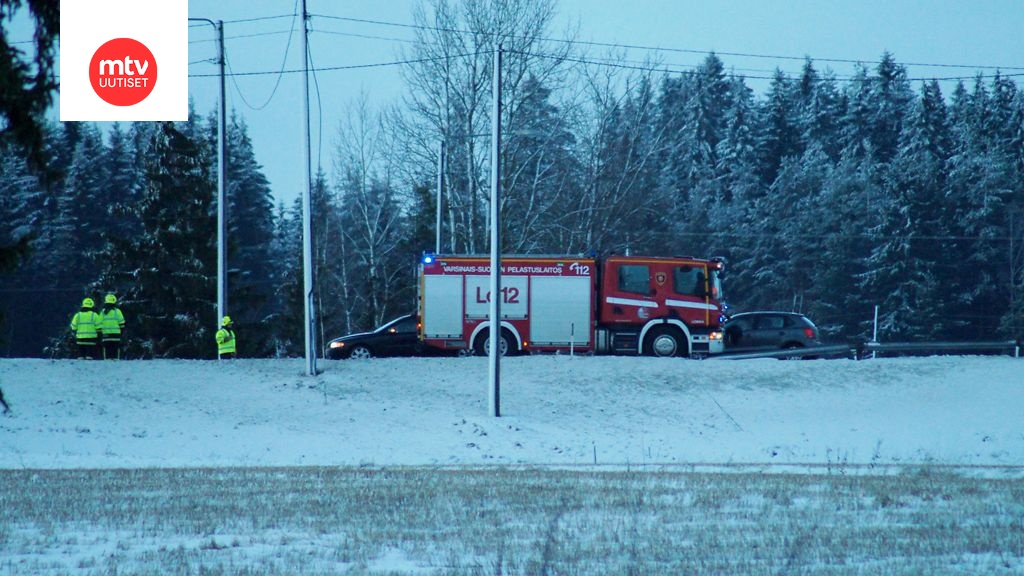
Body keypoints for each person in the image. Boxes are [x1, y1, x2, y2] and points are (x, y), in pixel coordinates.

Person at [99, 293, 126, 360]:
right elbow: (122, 323)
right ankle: (116, 360)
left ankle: (107, 360)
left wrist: (100, 333)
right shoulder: (118, 311)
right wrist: (122, 332)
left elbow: (99, 323)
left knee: (107, 350)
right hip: (116, 334)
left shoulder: (102, 312)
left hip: (106, 335)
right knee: (115, 350)